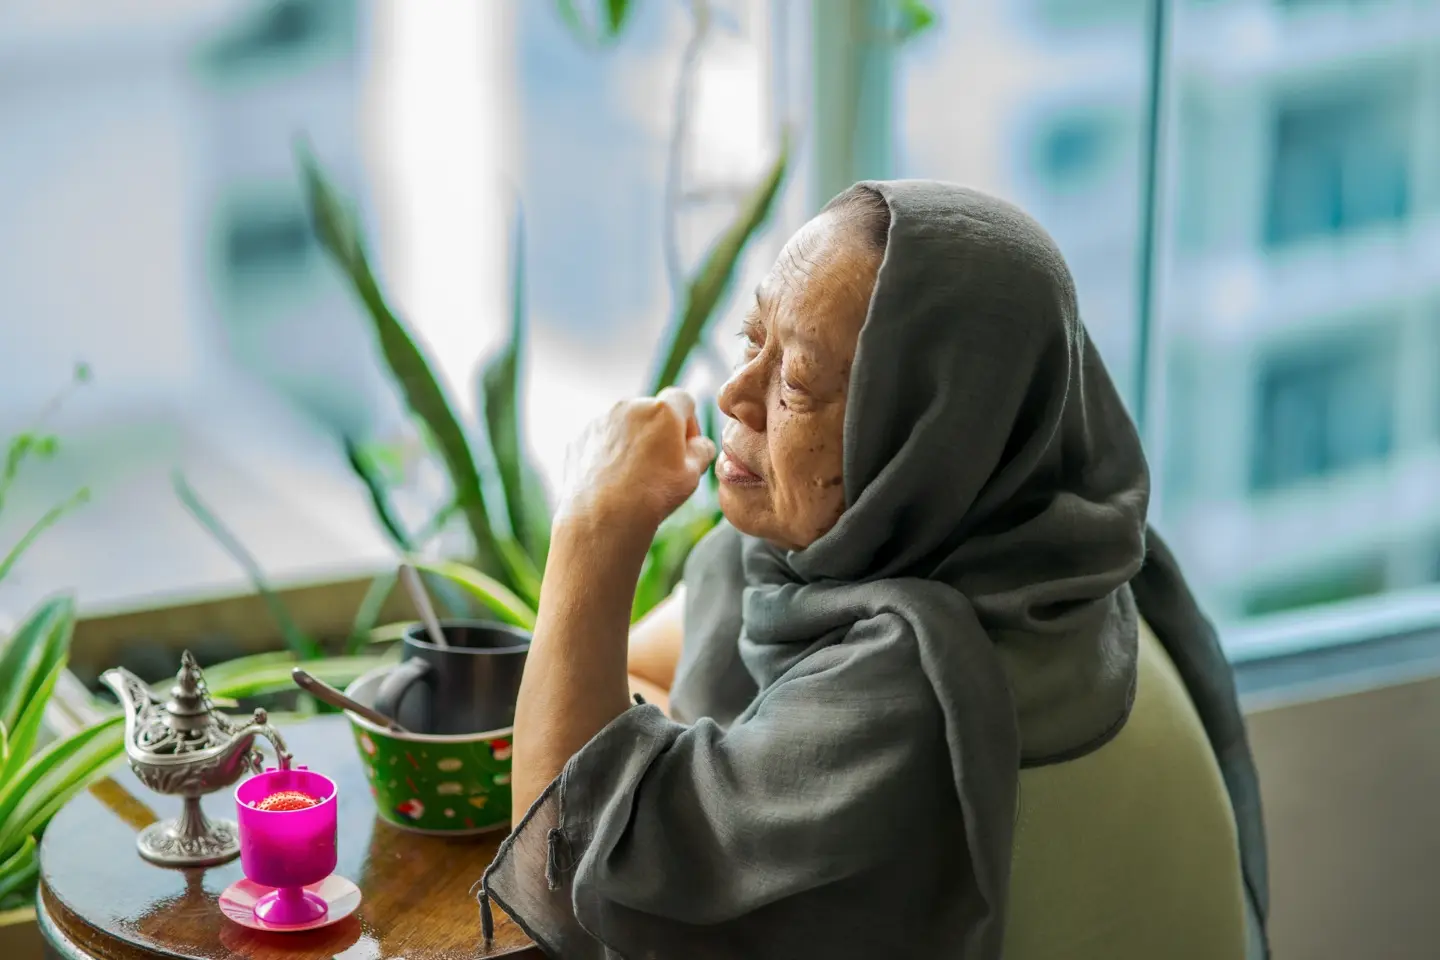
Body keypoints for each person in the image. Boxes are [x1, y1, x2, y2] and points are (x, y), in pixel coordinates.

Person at [480, 181, 1269, 959]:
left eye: (795, 383)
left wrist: (592, 524)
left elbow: (561, 873)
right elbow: (641, 666)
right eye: (754, 339)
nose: (734, 393)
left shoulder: (913, 681)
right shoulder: (1035, 550)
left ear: (933, 432)